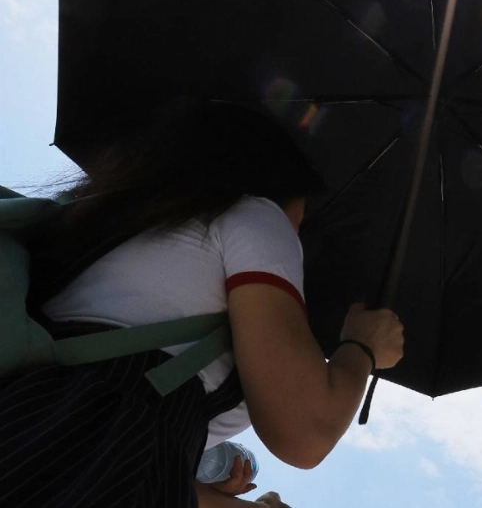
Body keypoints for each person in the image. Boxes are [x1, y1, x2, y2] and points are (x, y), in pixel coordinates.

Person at [0, 101, 404, 508]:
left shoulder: (103, 231)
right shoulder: (254, 215)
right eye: (298, 217)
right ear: (272, 189)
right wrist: (363, 347)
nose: (296, 233)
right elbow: (304, 433)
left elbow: (111, 459)